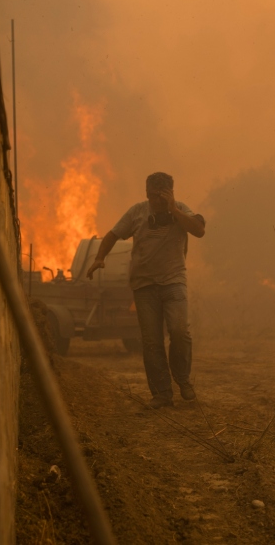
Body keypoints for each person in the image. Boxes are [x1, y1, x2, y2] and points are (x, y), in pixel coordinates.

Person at [86, 172, 206, 408]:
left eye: (162, 197)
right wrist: (100, 257)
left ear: (171, 193)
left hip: (174, 282)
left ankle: (182, 379)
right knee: (151, 341)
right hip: (144, 286)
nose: (157, 202)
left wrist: (174, 210)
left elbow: (199, 230)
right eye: (153, 196)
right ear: (147, 194)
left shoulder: (181, 210)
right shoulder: (137, 212)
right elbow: (112, 235)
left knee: (180, 331)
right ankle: (162, 393)